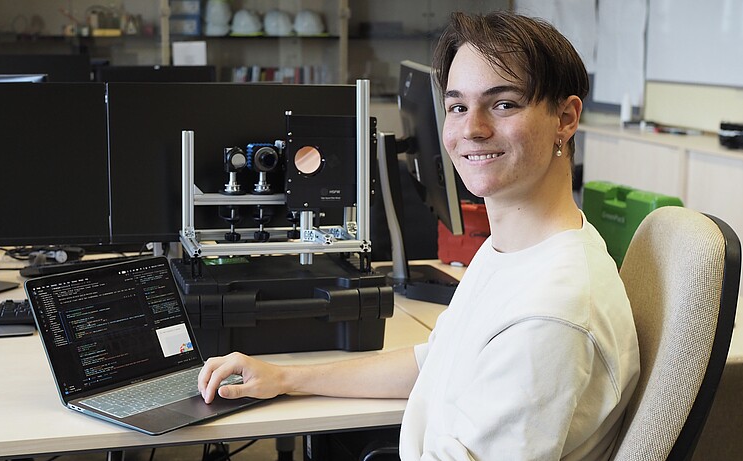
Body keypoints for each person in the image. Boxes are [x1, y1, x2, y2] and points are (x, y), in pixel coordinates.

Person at [198, 10, 640, 460]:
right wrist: (286, 379)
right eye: (458, 106)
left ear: (565, 118)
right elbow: (437, 362)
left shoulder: (551, 317)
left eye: (503, 103)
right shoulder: (516, 251)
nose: (471, 129)